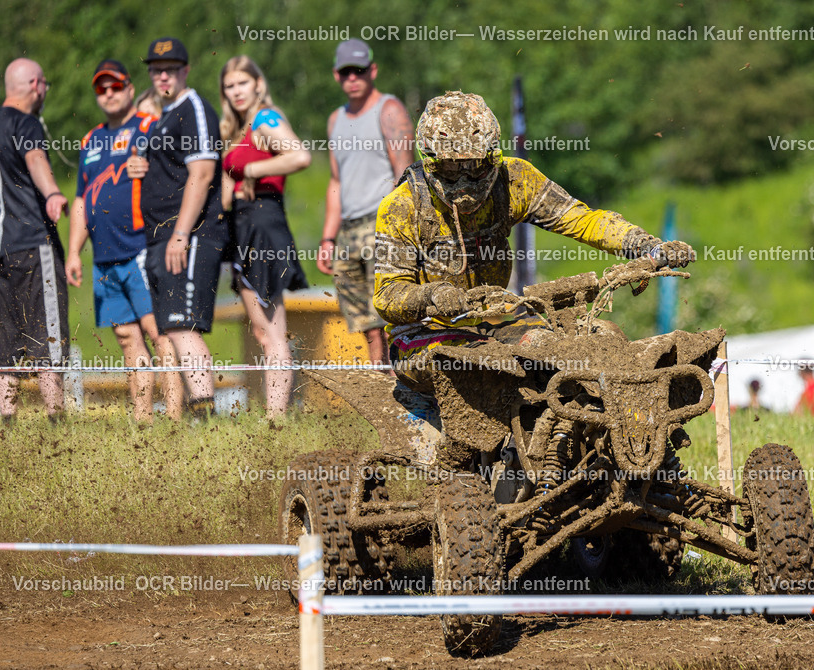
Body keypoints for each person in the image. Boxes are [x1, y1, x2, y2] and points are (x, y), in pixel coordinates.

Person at [373, 91, 695, 386]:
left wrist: (645, 244)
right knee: (487, 362)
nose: (465, 179)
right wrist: (431, 295)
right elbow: (386, 294)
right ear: (431, 164)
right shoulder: (402, 206)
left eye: (475, 167)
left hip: (494, 320)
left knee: (572, 345)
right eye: (452, 169)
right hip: (423, 334)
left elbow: (582, 219)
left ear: (493, 157)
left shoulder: (513, 180)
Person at [66, 59, 182, 424]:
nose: (109, 93)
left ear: (130, 88)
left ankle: (177, 418)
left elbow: (182, 173)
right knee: (127, 339)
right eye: (102, 88)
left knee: (158, 333)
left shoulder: (149, 127)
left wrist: (150, 169)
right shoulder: (91, 139)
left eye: (115, 86)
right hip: (104, 258)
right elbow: (82, 199)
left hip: (140, 250)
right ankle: (144, 420)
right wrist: (73, 251)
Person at [127, 37, 229, 420]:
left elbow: (201, 175)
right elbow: (168, 168)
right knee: (171, 328)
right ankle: (194, 412)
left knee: (184, 328)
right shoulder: (165, 115)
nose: (163, 75)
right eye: (156, 69)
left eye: (170, 69)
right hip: (159, 237)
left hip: (190, 234)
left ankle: (205, 419)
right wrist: (142, 165)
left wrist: (182, 234)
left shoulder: (194, 110)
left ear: (185, 70)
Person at [219, 56, 311, 417]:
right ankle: (273, 410)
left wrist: (253, 170)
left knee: (273, 330)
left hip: (264, 225)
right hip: (241, 227)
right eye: (229, 85)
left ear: (258, 84)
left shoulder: (265, 118)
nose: (236, 91)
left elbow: (300, 156)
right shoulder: (236, 128)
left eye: (243, 83)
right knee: (261, 330)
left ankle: (276, 418)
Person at [316, 39, 414, 370]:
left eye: (359, 71)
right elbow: (336, 181)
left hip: (382, 223)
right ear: (336, 76)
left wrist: (401, 230)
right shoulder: (334, 120)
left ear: (372, 70)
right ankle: (381, 380)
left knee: (390, 312)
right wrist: (328, 238)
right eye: (346, 73)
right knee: (365, 321)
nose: (352, 78)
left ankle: (406, 385)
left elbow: (405, 176)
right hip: (348, 230)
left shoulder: (389, 110)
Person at [0, 58, 69, 422]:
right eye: (45, 84)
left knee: (7, 342)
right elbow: (35, 159)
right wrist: (52, 193)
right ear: (35, 84)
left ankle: (7, 422)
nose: (45, 90)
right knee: (48, 337)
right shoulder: (26, 122)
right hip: (34, 245)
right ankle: (57, 421)